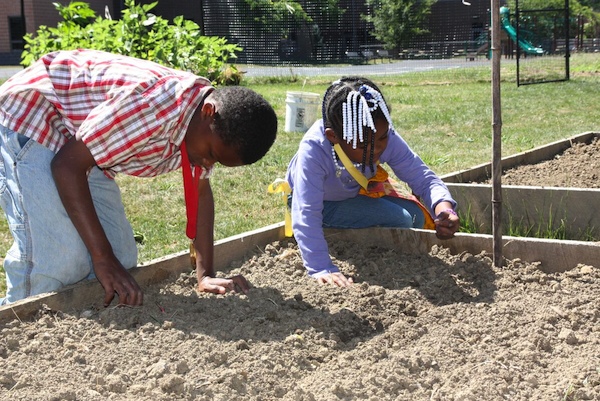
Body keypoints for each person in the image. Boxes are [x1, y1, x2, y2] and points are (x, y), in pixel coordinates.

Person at [0, 49, 277, 306]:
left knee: (121, 257)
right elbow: (66, 167)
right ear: (208, 113)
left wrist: (205, 275)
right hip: (35, 117)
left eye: (216, 161)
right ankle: (16, 325)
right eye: (210, 154)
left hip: (80, 146)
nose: (206, 163)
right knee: (57, 259)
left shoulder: (209, 129)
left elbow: (201, 193)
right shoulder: (153, 108)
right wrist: (101, 256)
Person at [285, 76, 459, 287]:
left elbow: (423, 177)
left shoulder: (378, 136)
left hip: (352, 193)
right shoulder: (314, 149)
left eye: (383, 138)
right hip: (319, 205)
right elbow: (306, 211)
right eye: (365, 144)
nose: (377, 149)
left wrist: (444, 208)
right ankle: (332, 230)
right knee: (402, 219)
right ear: (333, 137)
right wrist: (321, 267)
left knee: (417, 215)